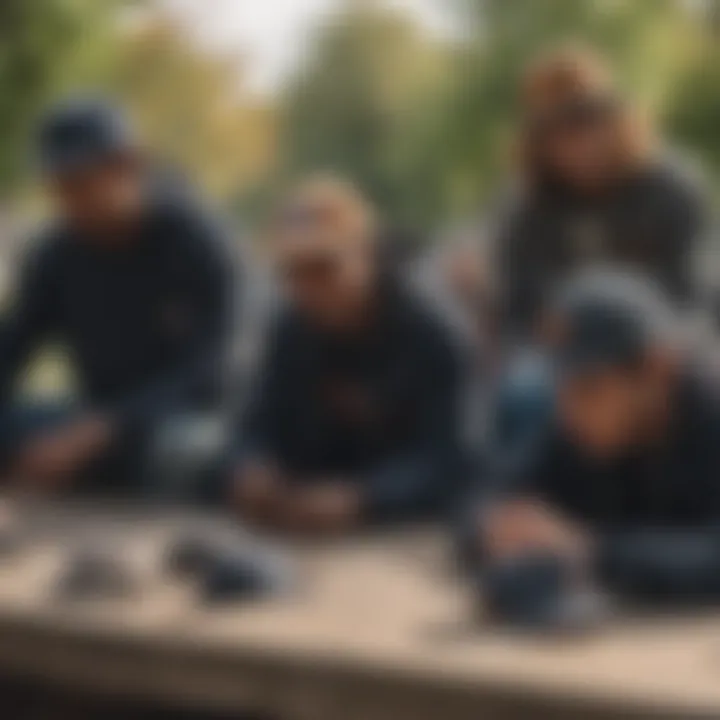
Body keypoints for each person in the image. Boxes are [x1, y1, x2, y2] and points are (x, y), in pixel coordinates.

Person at [0, 98, 236, 497]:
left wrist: (107, 429)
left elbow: (216, 370)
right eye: (60, 188)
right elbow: (14, 347)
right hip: (90, 420)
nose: (69, 201)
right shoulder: (58, 253)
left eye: (80, 184)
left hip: (182, 421)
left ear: (128, 166)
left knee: (191, 451)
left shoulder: (197, 242)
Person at [472, 270, 720, 629]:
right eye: (560, 388)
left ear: (658, 368)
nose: (567, 410)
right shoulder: (579, 425)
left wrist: (590, 550)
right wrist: (500, 526)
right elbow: (487, 490)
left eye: (588, 388)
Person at [232, 176, 464, 536]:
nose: (309, 287)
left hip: (398, 512)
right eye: (294, 272)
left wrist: (366, 497)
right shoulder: (288, 327)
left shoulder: (433, 331)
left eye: (325, 267)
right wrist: (253, 465)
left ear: (366, 255)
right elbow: (258, 418)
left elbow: (448, 455)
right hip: (309, 493)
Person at [496, 44, 707, 341]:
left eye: (587, 124)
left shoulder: (670, 190)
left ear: (617, 122)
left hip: (659, 343)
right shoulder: (527, 207)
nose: (578, 146)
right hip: (563, 352)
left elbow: (689, 292)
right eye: (557, 133)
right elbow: (517, 303)